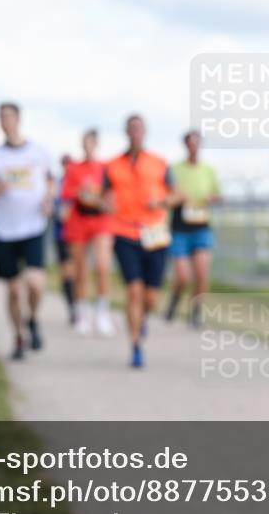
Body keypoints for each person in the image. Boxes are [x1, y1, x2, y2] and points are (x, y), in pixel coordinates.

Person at [0, 102, 55, 361]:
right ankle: (19, 336)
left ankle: (33, 318)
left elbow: (51, 182)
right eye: (1, 117)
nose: (5, 121)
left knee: (35, 283)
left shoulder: (38, 152)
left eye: (9, 116)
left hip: (33, 226)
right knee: (12, 289)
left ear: (19, 119)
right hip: (4, 229)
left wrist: (48, 201)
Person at [103, 114, 182, 368]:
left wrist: (161, 202)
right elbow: (103, 197)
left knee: (151, 298)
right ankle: (135, 344)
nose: (135, 132)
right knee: (133, 291)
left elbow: (178, 195)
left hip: (155, 234)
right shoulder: (112, 165)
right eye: (131, 128)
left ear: (145, 132)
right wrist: (103, 203)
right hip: (125, 232)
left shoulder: (159, 163)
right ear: (126, 132)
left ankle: (142, 320)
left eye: (139, 128)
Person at [165, 130, 221, 328]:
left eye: (197, 143)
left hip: (201, 226)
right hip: (180, 227)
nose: (194, 147)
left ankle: (196, 312)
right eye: (190, 143)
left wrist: (211, 199)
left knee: (202, 274)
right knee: (182, 275)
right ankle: (174, 299)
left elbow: (218, 195)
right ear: (185, 145)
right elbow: (167, 195)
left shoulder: (209, 170)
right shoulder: (174, 169)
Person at [61, 129, 115, 336]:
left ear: (96, 144)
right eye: (84, 143)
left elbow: (111, 195)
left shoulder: (105, 168)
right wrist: (84, 194)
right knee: (80, 271)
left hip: (100, 221)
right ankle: (81, 313)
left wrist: (100, 200)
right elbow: (69, 193)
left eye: (90, 143)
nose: (87, 147)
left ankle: (102, 312)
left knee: (102, 265)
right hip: (78, 222)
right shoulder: (74, 168)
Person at [52, 155, 78, 326]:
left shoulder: (79, 184)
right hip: (62, 235)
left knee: (76, 272)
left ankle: (78, 305)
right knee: (67, 272)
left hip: (78, 235)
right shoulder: (57, 186)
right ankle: (72, 307)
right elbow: (56, 209)